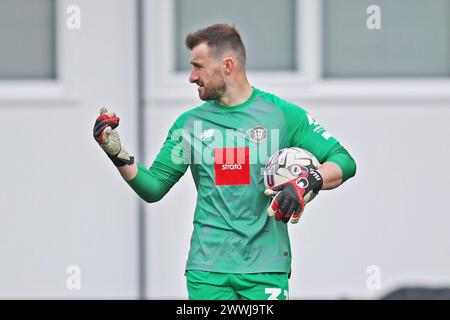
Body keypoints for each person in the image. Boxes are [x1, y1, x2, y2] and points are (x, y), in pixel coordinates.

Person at [93, 24, 356, 300]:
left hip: (265, 269)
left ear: (227, 65)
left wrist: (305, 182)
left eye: (198, 67)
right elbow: (154, 187)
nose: (192, 77)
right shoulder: (189, 126)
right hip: (207, 272)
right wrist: (117, 154)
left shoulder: (280, 115)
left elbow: (344, 161)